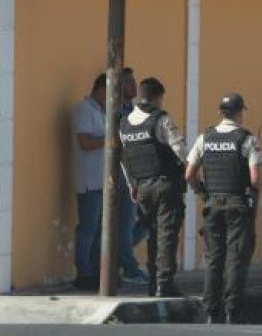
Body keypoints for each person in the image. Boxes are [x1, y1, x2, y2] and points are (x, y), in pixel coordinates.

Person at [185, 93, 262, 324]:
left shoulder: (204, 138)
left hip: (212, 205)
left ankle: (211, 311)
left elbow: (189, 174)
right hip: (238, 205)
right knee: (236, 258)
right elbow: (256, 180)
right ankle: (232, 311)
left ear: (220, 113)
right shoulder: (247, 140)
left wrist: (202, 192)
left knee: (213, 258)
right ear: (240, 113)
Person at [119, 77, 188, 297]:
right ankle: (164, 285)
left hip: (141, 187)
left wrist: (132, 185)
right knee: (167, 235)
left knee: (153, 235)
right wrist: (193, 171)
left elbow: (125, 159)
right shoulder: (160, 119)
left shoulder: (125, 123)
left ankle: (153, 284)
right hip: (165, 184)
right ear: (158, 97)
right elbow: (181, 150)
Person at [71, 73, 108, 290]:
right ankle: (83, 272)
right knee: (88, 227)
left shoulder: (102, 111)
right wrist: (110, 140)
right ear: (101, 89)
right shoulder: (84, 110)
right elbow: (84, 142)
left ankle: (95, 271)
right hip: (88, 179)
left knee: (99, 229)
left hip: (102, 180)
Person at [116, 68, 150, 286]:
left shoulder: (134, 110)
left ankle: (121, 254)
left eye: (134, 81)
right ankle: (129, 266)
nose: (134, 86)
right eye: (129, 82)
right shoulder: (117, 111)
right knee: (126, 222)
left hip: (138, 172)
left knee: (146, 219)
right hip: (122, 173)